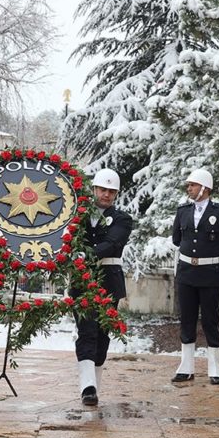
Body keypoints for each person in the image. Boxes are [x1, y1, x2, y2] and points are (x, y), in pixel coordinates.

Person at [170, 169, 219, 384]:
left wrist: (215, 250)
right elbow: (177, 238)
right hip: (186, 273)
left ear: (205, 188)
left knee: (211, 319)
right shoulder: (183, 211)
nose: (189, 189)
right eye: (189, 185)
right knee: (187, 319)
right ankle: (186, 367)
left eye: (192, 185)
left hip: (210, 273)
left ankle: (214, 368)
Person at [75, 168, 133, 406]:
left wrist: (84, 254)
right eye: (102, 190)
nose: (106, 195)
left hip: (108, 279)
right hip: (83, 279)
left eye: (111, 191)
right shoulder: (78, 216)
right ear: (94, 190)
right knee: (86, 330)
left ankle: (94, 382)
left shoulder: (122, 219)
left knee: (102, 333)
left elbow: (111, 243)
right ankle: (87, 386)